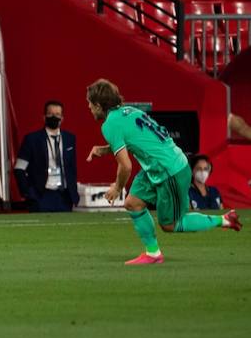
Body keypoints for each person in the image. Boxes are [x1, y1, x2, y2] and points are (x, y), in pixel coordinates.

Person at [84, 78, 240, 265]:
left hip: (170, 170)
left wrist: (117, 188)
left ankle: (224, 220)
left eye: (90, 103)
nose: (89, 107)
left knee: (171, 224)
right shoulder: (130, 112)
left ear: (99, 105)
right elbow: (135, 139)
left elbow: (125, 166)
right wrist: (104, 149)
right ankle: (152, 253)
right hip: (158, 166)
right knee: (133, 203)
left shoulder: (109, 124)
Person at [13, 100, 78, 212]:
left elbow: (72, 167)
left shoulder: (69, 139)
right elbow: (19, 168)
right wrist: (28, 193)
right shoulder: (32, 139)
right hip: (41, 195)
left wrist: (73, 192)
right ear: (44, 117)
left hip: (64, 196)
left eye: (57, 114)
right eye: (50, 114)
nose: (54, 117)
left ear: (62, 118)